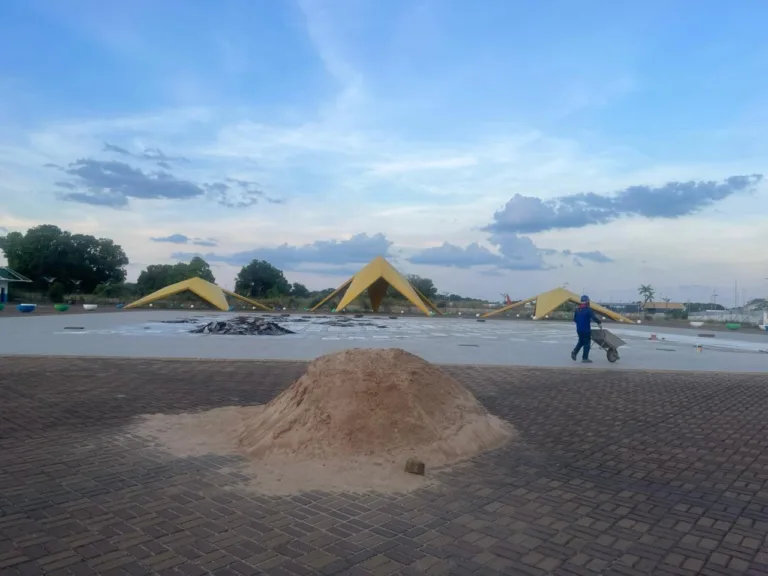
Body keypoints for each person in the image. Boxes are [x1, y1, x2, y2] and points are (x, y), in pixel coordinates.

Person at [571, 295, 601, 363]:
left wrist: (580, 322)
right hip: (586, 330)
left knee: (581, 342)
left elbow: (575, 319)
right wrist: (599, 322)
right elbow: (594, 317)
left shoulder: (577, 310)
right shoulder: (588, 310)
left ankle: (574, 352)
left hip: (579, 329)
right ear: (587, 301)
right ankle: (585, 358)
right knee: (587, 343)